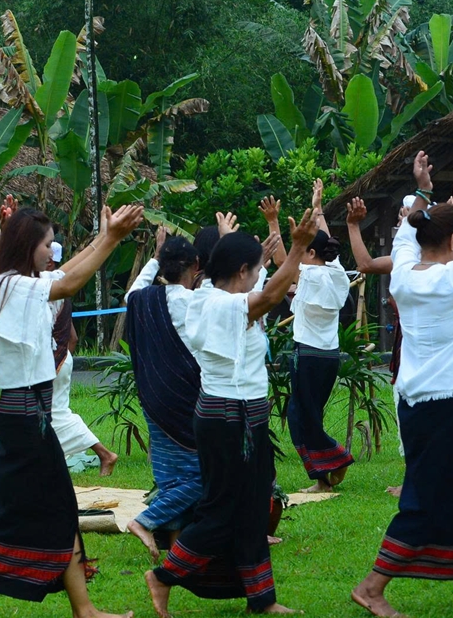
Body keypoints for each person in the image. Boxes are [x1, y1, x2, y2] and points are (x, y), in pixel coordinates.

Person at [0, 203, 144, 618]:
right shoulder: (11, 283)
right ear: (27, 246)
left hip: (31, 413)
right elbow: (71, 284)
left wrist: (103, 236)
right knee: (16, 511)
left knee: (60, 506)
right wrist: (113, 238)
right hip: (24, 415)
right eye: (48, 245)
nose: (53, 252)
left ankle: (83, 609)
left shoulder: (22, 280)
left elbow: (68, 273)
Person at [145, 212, 316, 618]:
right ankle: (163, 576)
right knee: (221, 512)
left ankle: (262, 599)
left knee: (255, 509)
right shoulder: (217, 303)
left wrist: (242, 243)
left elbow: (262, 287)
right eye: (256, 269)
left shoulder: (213, 294)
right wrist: (295, 247)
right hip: (227, 421)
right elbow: (271, 295)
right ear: (242, 272)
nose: (261, 276)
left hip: (243, 419)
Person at [352, 154, 453, 618]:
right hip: (452, 407)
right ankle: (371, 587)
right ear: (452, 241)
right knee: (426, 500)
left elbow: (408, 229)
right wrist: (424, 194)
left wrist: (423, 187)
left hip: (421, 403)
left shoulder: (406, 272)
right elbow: (415, 228)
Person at [123, 229, 204, 557]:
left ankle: (174, 544)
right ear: (195, 265)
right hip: (185, 399)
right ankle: (146, 519)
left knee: (171, 475)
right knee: (205, 475)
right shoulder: (195, 302)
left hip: (152, 398)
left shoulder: (141, 299)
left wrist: (156, 257)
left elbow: (135, 289)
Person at [283, 181, 357, 492]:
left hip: (309, 355)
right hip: (329, 356)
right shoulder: (337, 272)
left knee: (303, 419)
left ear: (309, 251)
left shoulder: (309, 274)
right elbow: (327, 241)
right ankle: (325, 472)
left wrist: (279, 228)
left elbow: (283, 265)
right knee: (306, 415)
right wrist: (317, 206)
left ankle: (332, 464)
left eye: (301, 247)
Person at [45, 240, 118, 477]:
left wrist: (55, 361)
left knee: (57, 415)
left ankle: (105, 454)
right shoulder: (57, 290)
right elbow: (73, 337)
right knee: (47, 414)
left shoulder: (48, 289)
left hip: (53, 361)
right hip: (60, 359)